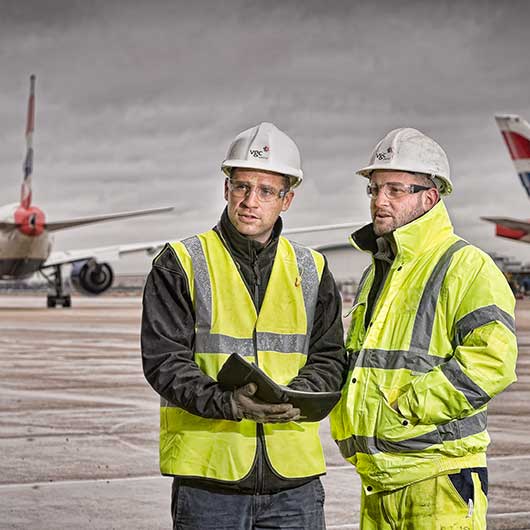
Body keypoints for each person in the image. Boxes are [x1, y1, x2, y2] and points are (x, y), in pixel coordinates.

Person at [141, 122, 347, 530]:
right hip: (209, 481)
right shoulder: (180, 262)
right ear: (225, 189)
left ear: (287, 199)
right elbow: (165, 362)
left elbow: (329, 356)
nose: (250, 201)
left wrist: (298, 396)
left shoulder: (312, 268)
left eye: (266, 191)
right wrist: (228, 403)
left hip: (294, 482)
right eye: (241, 186)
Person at [330, 127, 518, 529]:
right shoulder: (377, 272)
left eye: (395, 190)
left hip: (437, 479)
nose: (380, 201)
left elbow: (493, 361)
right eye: (375, 189)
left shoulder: (467, 266)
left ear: (429, 198)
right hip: (379, 478)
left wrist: (405, 407)